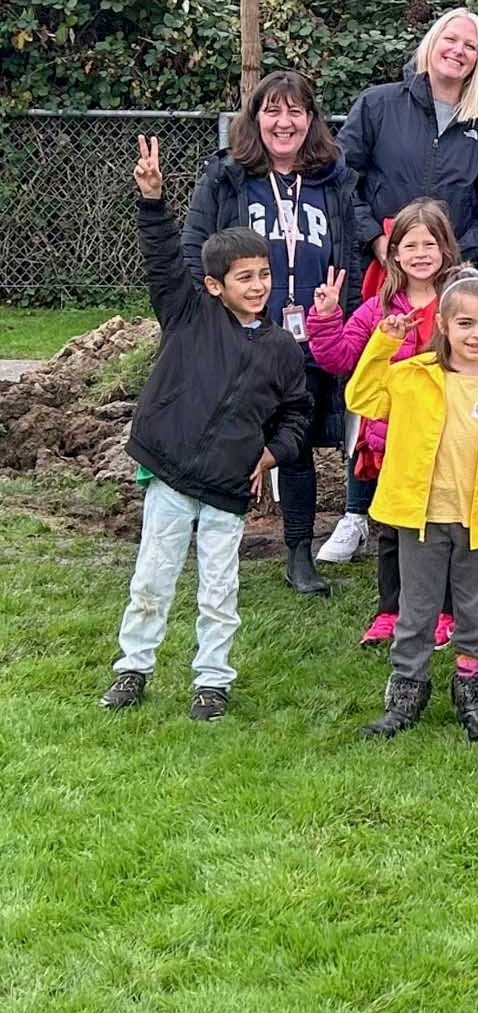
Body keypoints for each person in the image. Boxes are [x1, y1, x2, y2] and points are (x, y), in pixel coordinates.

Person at [99, 137, 311, 723]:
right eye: (244, 276)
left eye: (264, 274)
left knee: (220, 590)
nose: (257, 285)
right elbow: (164, 258)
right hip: (169, 477)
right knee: (153, 577)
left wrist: (270, 455)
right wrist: (151, 200)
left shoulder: (281, 350)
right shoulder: (189, 314)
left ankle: (212, 680)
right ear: (215, 285)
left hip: (229, 488)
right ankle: (132, 669)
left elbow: (296, 414)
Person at [181, 69, 362, 597]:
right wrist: (210, 321)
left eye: (296, 112)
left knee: (296, 442)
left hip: (306, 338)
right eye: (273, 111)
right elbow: (197, 249)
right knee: (228, 438)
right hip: (243, 334)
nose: (284, 123)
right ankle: (216, 544)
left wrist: (341, 320)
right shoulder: (227, 177)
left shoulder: (334, 180)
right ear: (255, 118)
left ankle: (299, 551)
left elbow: (347, 253)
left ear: (312, 120)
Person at [350, 271, 478, 743]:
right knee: (416, 612)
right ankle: (405, 697)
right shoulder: (412, 375)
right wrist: (382, 344)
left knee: (476, 615)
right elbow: (361, 397)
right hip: (422, 520)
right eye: (466, 324)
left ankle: (474, 698)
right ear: (443, 325)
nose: (477, 335)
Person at [308, 200, 462, 648]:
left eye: (429, 244)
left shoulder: (460, 300)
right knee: (393, 530)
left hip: (448, 439)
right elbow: (338, 357)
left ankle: (446, 612)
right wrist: (326, 316)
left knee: (447, 528)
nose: (419, 253)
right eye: (409, 245)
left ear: (445, 248)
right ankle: (389, 610)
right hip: (393, 443)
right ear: (393, 254)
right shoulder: (377, 309)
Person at [339, 5, 478, 268]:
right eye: (451, 39)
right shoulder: (377, 105)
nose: (458, 50)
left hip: (454, 276)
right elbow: (342, 179)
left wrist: (458, 254)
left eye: (470, 46)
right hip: (380, 271)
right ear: (432, 42)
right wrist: (374, 238)